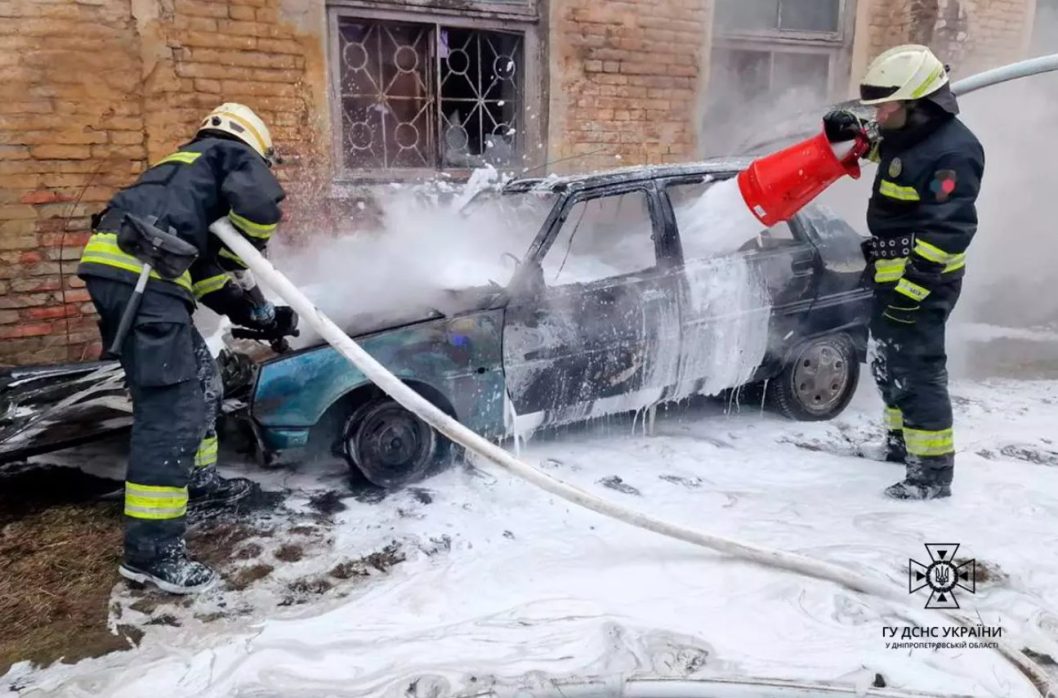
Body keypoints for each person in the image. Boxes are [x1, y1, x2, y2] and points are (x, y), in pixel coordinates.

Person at [78, 103, 299, 593]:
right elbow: (261, 210)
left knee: (202, 381)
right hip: (140, 278)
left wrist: (254, 314)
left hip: (133, 272)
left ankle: (198, 483)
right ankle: (151, 554)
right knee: (171, 411)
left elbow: (203, 276)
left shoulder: (184, 176)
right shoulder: (228, 154)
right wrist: (248, 251)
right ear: (253, 144)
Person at [822, 45, 985, 501]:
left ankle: (931, 475)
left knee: (918, 370)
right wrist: (852, 132)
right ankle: (898, 446)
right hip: (890, 273)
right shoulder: (911, 133)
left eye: (886, 105)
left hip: (923, 281)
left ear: (918, 105)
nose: (880, 112)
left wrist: (910, 295)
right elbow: (885, 148)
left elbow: (948, 232)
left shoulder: (954, 153)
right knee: (887, 361)